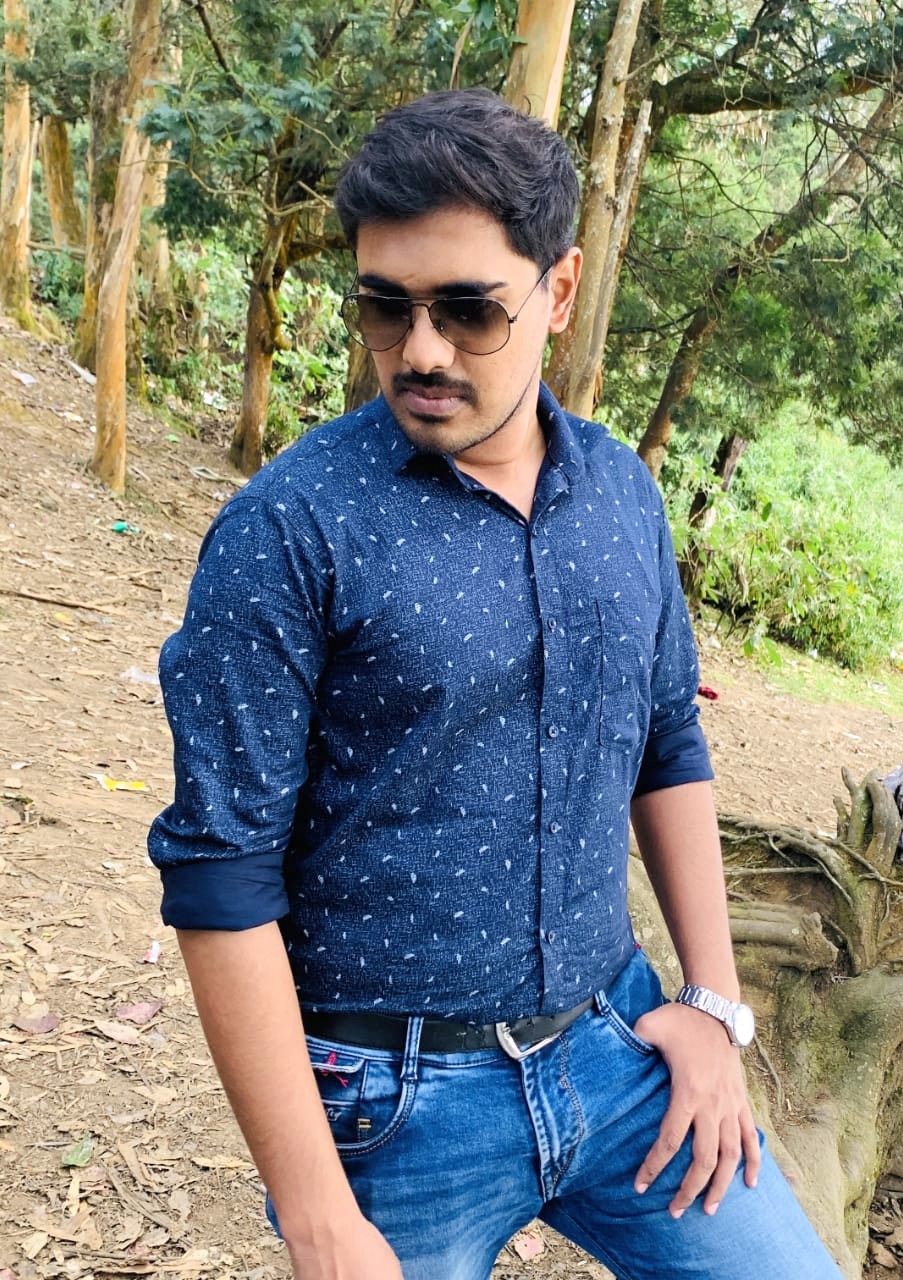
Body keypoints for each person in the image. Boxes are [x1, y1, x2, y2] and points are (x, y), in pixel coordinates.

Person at [149, 89, 844, 1280]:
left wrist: (713, 1003)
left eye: (469, 310)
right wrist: (316, 1215)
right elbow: (221, 874)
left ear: (559, 291)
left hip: (619, 1049)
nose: (421, 349)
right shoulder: (289, 530)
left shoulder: (620, 495)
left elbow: (667, 740)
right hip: (392, 1102)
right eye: (387, 305)